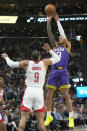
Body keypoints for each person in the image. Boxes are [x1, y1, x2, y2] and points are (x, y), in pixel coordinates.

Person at [1, 43, 60, 131]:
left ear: (32, 57)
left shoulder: (27, 63)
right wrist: (49, 50)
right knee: (40, 121)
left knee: (23, 119)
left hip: (29, 90)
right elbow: (57, 59)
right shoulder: (44, 62)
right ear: (39, 57)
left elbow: (11, 64)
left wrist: (6, 57)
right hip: (39, 91)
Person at [44, 13, 74, 128]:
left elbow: (63, 35)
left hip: (63, 71)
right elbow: (50, 34)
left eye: (61, 37)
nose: (59, 38)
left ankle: (71, 117)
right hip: (54, 70)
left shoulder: (67, 45)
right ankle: (48, 116)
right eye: (59, 37)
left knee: (66, 95)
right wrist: (48, 22)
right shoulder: (55, 46)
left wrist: (57, 21)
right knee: (49, 95)